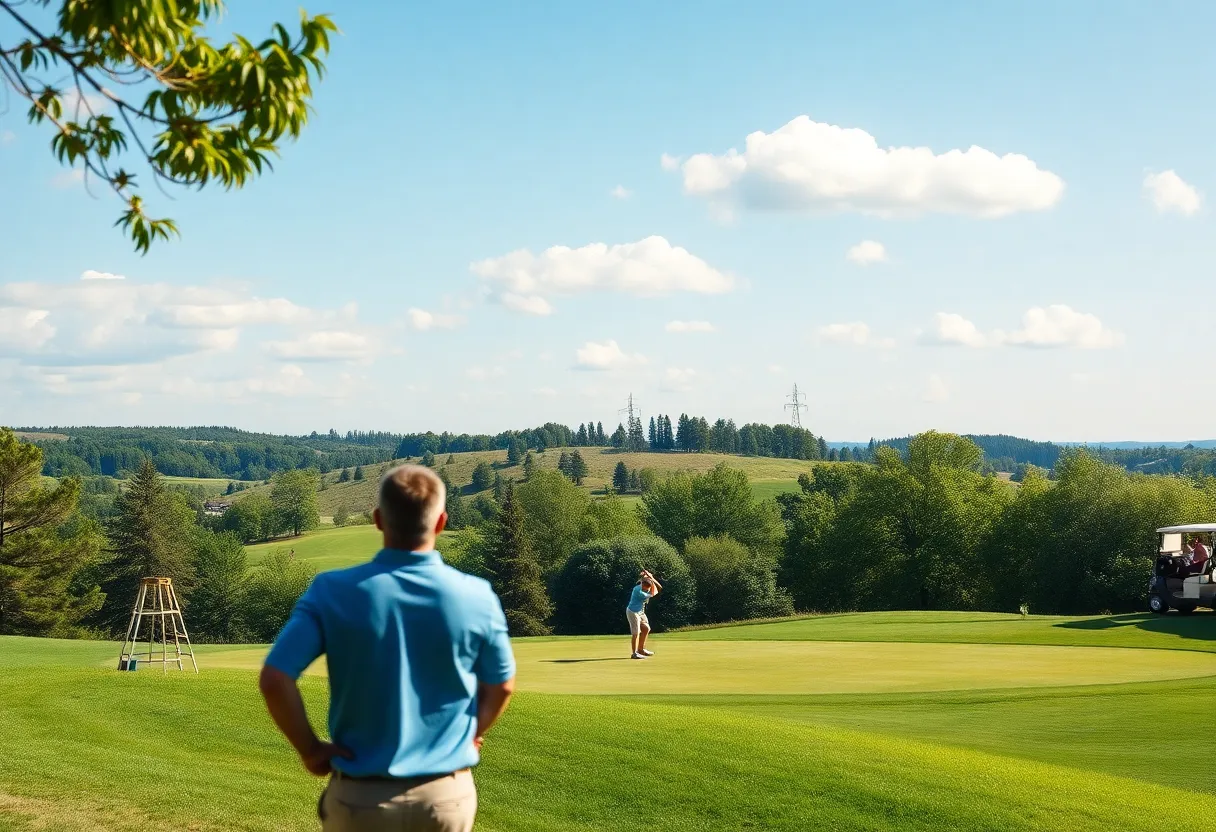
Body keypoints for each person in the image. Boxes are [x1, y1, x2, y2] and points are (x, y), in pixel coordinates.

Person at [259, 464, 516, 832]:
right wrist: (473, 734)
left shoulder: (331, 591)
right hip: (445, 797)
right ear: (441, 522)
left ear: (378, 519)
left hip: (360, 801)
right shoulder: (477, 595)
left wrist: (311, 751)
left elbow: (275, 679)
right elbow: (502, 685)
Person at [626, 569, 662, 660]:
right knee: (636, 633)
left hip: (640, 612)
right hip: (633, 612)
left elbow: (653, 585)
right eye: (647, 588)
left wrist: (649, 576)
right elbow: (656, 591)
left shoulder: (644, 585)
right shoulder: (639, 591)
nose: (648, 590)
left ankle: (641, 649)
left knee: (646, 628)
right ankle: (634, 653)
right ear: (643, 585)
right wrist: (651, 578)